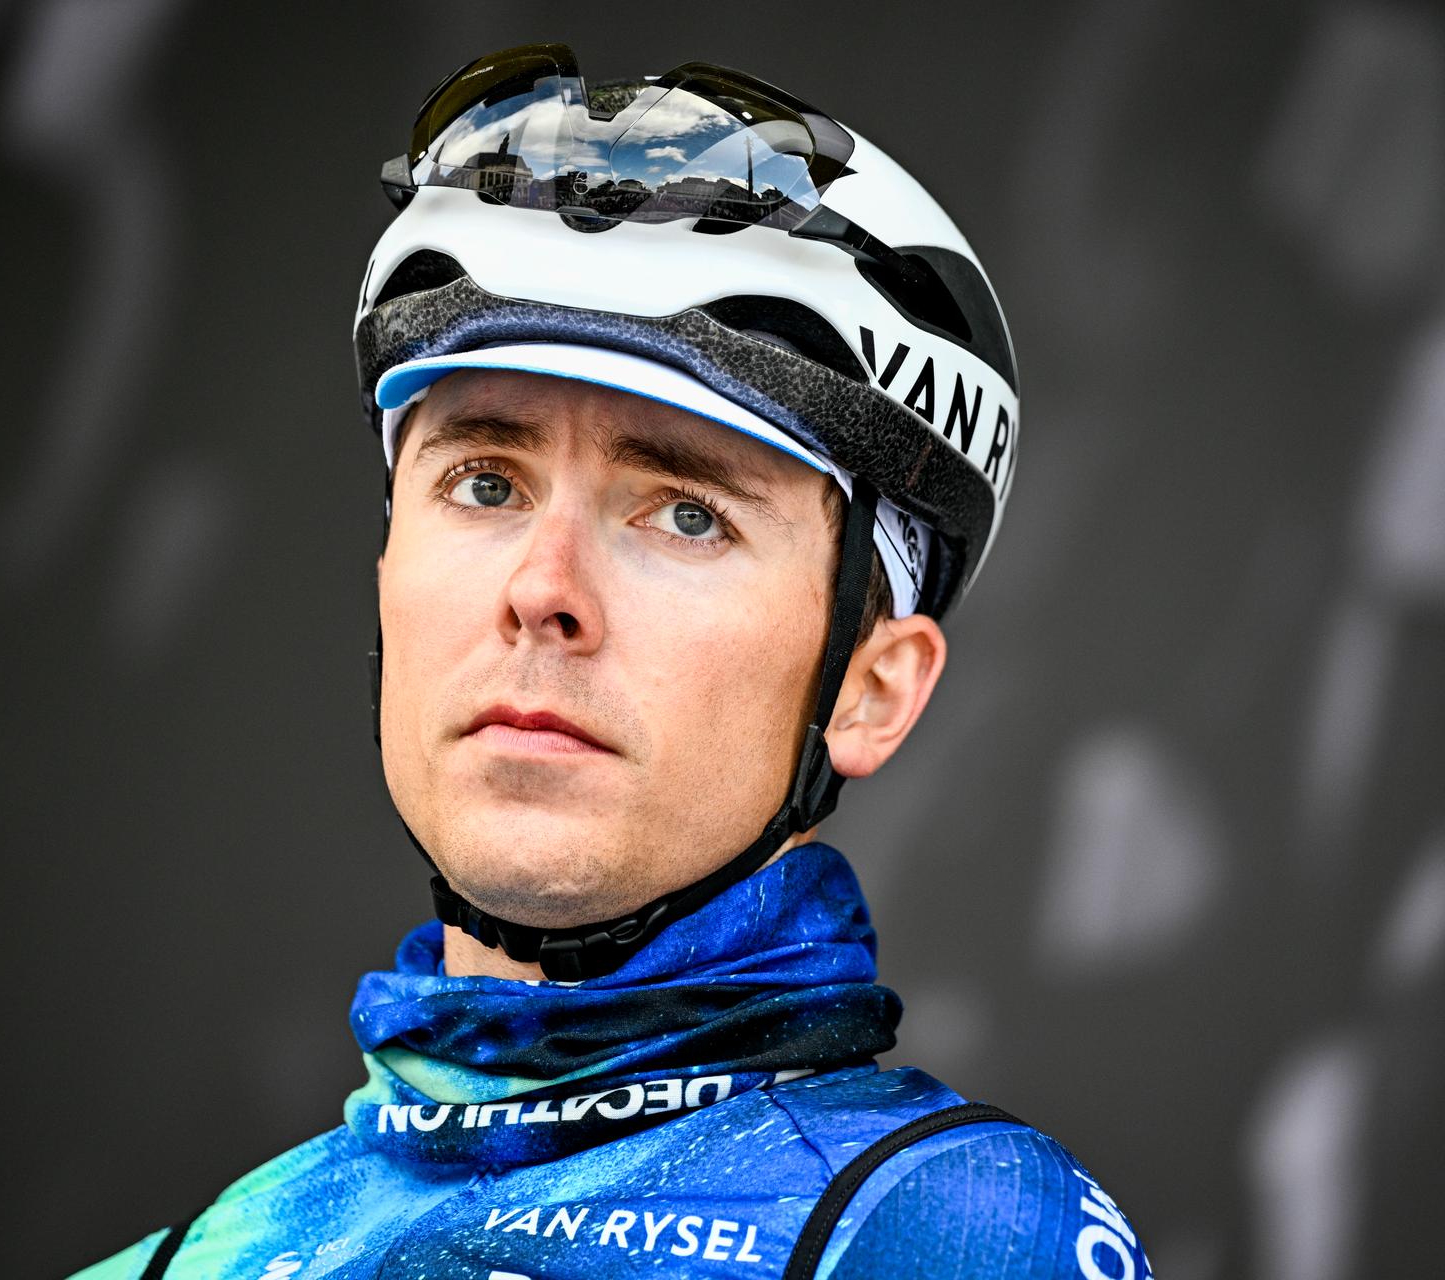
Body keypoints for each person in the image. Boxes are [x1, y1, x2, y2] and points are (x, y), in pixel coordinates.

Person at [72, 43, 1151, 1279]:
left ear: (872, 685)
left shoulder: (960, 1235)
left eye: (688, 512)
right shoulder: (182, 1261)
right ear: (383, 581)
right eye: (484, 483)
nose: (542, 590)